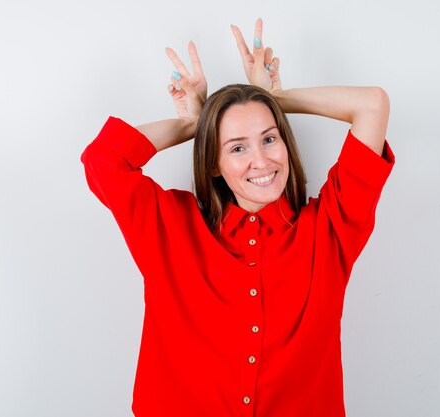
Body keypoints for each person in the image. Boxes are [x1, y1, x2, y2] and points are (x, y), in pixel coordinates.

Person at [81, 18, 395, 417]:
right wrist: (192, 124)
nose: (261, 161)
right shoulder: (170, 226)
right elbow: (103, 160)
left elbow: (372, 104)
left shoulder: (331, 227)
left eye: (268, 138)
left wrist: (273, 99)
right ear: (213, 163)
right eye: (237, 148)